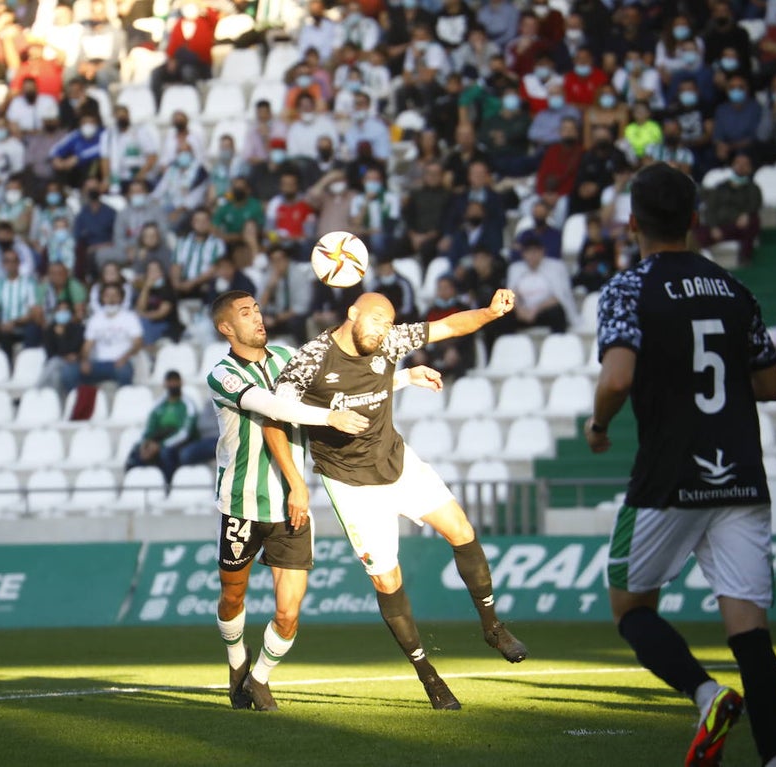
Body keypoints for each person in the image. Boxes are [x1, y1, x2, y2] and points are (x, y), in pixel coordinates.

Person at [584, 163, 776, 767]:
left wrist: (599, 426)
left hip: (670, 474)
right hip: (741, 474)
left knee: (629, 607)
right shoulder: (735, 290)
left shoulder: (628, 289)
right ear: (695, 221)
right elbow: (771, 385)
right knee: (750, 630)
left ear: (632, 224)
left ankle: (705, 695)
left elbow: (617, 377)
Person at [262, 289, 528, 711]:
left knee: (461, 529)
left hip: (398, 462)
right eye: (376, 321)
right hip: (351, 484)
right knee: (388, 581)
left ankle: (493, 627)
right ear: (352, 314)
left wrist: (490, 313)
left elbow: (447, 326)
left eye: (389, 323)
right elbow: (274, 416)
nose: (382, 331)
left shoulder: (389, 341)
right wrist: (302, 468)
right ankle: (429, 677)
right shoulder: (312, 357)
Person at [207, 290, 370, 711]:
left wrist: (403, 379)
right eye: (246, 313)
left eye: (257, 309)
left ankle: (258, 679)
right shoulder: (222, 374)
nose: (257, 317)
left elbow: (339, 385)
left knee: (289, 613)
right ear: (227, 328)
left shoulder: (286, 358)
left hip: (291, 506)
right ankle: (236, 661)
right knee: (232, 598)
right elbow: (270, 408)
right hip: (242, 505)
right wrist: (330, 417)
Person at [125, 371, 199, 481]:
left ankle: (168, 486)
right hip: (159, 438)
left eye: (175, 381)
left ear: (181, 383)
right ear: (165, 384)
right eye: (170, 381)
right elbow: (150, 428)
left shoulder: (188, 405)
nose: (172, 385)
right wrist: (145, 443)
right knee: (136, 454)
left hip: (181, 441)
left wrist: (160, 445)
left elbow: (185, 433)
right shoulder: (159, 405)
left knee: (165, 453)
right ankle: (135, 485)